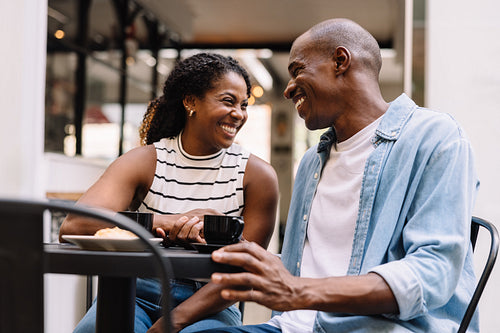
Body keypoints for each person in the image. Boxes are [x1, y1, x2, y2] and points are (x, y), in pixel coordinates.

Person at [195, 18, 480, 333]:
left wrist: (298, 290)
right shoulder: (311, 162)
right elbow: (309, 265)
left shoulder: (435, 138)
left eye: (297, 70)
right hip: (290, 326)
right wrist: (240, 247)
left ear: (340, 61)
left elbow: (433, 272)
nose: (288, 90)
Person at [59, 52, 279, 333]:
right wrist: (169, 222)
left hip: (210, 301)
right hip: (135, 292)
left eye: (244, 104)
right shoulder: (145, 161)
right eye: (228, 101)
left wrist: (168, 325)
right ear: (190, 102)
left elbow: (244, 270)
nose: (239, 114)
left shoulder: (257, 176)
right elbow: (74, 225)